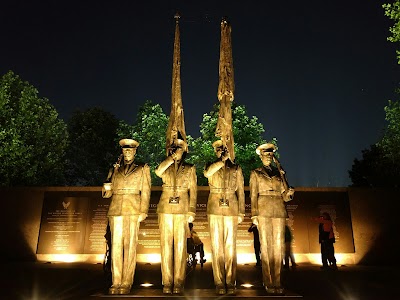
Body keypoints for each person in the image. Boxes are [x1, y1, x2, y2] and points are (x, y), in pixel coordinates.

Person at [102, 139, 151, 295]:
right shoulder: (114, 169)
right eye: (125, 151)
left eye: (130, 151)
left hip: (133, 208)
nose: (127, 153)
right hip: (116, 209)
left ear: (135, 152)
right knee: (115, 246)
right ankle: (116, 281)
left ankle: (126, 282)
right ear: (122, 152)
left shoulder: (142, 168)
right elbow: (107, 194)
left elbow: (146, 190)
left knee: (129, 247)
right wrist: (107, 185)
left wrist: (143, 210)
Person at [249, 143, 295, 295]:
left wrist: (289, 193)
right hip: (263, 208)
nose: (268, 157)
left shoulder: (278, 173)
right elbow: (253, 194)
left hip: (278, 209)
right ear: (261, 156)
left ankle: (277, 281)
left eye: (270, 154)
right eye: (265, 154)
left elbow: (285, 195)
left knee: (278, 247)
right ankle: (268, 281)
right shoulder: (256, 173)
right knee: (267, 247)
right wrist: (254, 214)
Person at [155, 138, 197, 294]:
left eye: (179, 149)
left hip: (182, 207)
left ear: (184, 151)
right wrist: (171, 158)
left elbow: (193, 190)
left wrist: (191, 210)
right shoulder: (166, 165)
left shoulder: (190, 168)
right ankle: (167, 281)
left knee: (180, 246)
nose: (176, 151)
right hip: (165, 207)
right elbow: (158, 171)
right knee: (165, 246)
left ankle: (179, 281)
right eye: (174, 149)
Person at [204, 140, 245, 295]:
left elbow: (241, 191)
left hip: (231, 206)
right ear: (215, 151)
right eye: (218, 149)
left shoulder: (236, 168)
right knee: (217, 247)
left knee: (230, 246)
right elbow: (207, 173)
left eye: (223, 149)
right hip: (214, 206)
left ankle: (230, 281)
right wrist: (221, 161)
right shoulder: (211, 165)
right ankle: (219, 282)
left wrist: (241, 212)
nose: (221, 151)